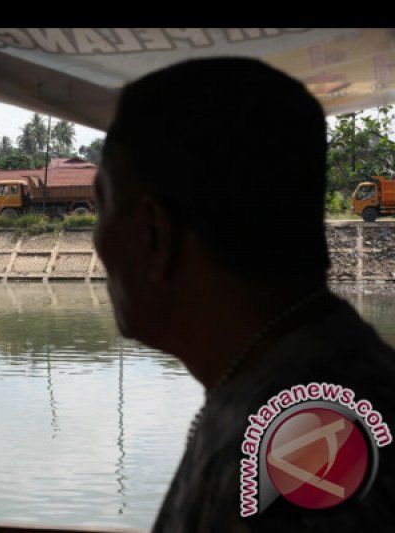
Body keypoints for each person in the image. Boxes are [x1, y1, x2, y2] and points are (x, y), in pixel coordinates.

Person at [94, 57, 395, 531]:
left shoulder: (304, 441)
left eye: (102, 208)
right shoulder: (305, 386)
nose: (98, 243)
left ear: (154, 233)